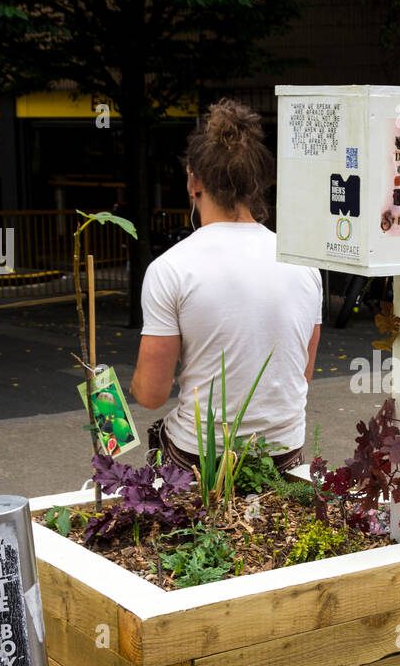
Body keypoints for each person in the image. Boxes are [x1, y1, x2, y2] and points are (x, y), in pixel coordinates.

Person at [130, 99, 322, 474]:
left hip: (200, 460)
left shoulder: (170, 268)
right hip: (284, 455)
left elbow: (152, 395)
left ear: (193, 181)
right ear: (256, 184)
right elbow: (301, 374)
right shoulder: (305, 265)